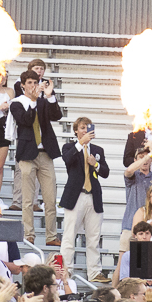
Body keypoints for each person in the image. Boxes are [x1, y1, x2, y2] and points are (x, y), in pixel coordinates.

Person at [57, 116, 110, 281]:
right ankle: (66, 271)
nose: (85, 130)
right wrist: (81, 144)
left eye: (88, 128)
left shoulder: (98, 150)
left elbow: (106, 172)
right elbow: (68, 160)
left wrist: (96, 164)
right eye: (82, 128)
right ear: (76, 131)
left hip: (93, 196)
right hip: (76, 195)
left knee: (94, 237)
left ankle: (94, 272)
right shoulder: (69, 147)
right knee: (69, 236)